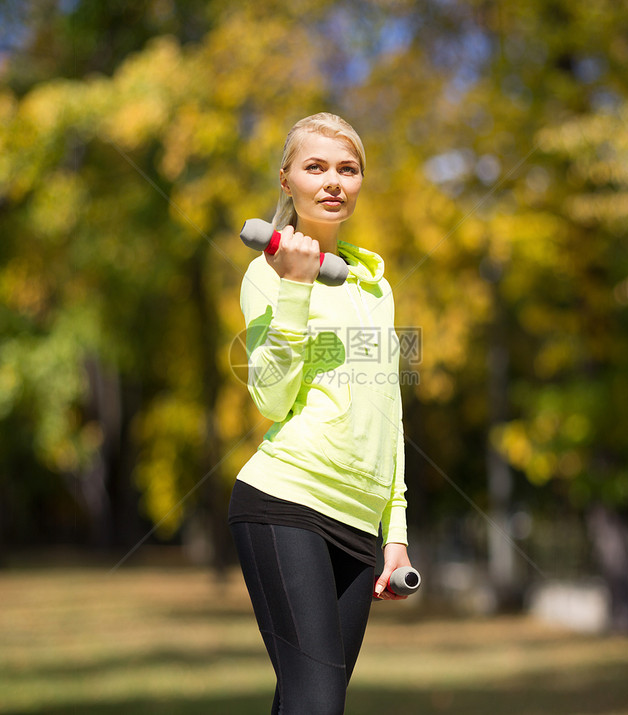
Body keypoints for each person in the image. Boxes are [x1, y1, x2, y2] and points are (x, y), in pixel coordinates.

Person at [228, 112, 413, 715]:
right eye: (316, 167)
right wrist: (296, 287)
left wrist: (398, 533)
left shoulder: (374, 285)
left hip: (360, 524)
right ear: (287, 181)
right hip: (289, 502)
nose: (333, 181)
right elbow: (271, 399)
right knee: (317, 705)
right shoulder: (267, 273)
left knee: (304, 704)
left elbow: (389, 410)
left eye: (348, 169)